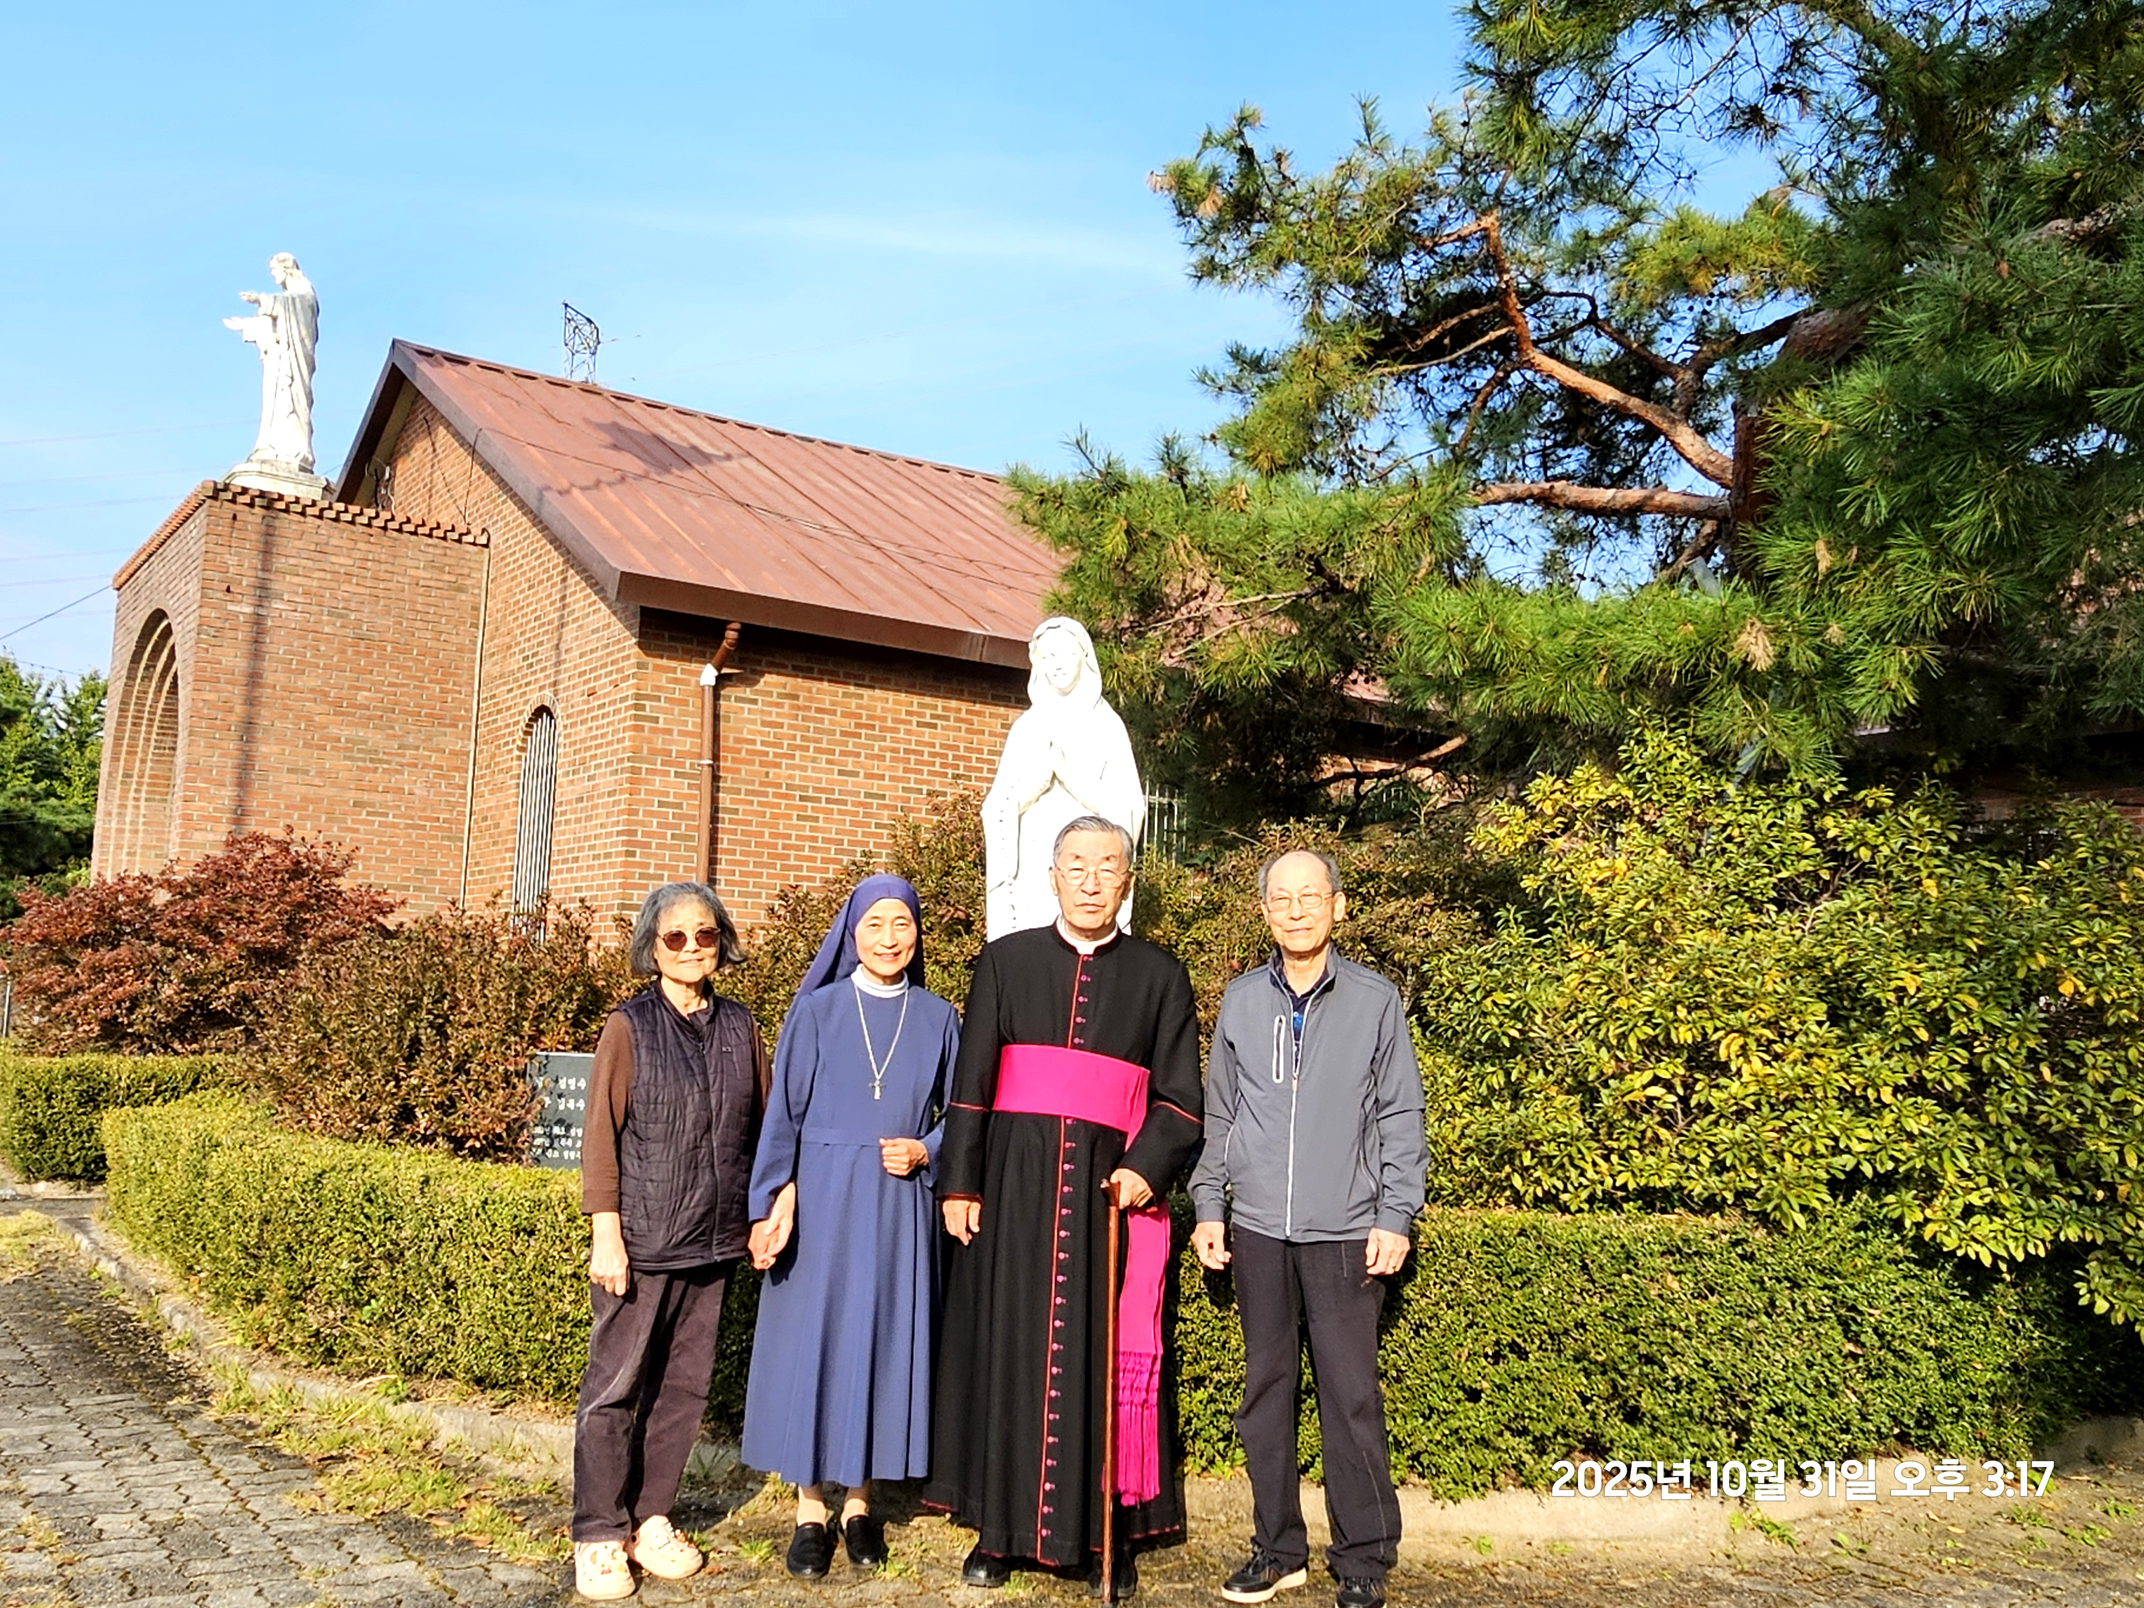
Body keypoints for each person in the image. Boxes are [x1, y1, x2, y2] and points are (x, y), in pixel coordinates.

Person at [927, 814, 1204, 1600]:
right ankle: (998, 1529)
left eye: (1106, 866)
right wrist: (960, 1183)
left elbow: (1182, 1100)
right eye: (1076, 865)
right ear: (1053, 876)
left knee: (1095, 1351)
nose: (1090, 880)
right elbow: (972, 1084)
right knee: (1008, 1347)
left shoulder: (1159, 974)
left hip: (1105, 1190)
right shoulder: (1005, 962)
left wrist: (1147, 1169)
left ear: (1127, 880)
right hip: (1013, 1189)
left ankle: (1095, 1536)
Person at [1188, 850, 1426, 1608]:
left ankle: (1362, 1555)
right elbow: (1218, 1114)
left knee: (1350, 1395)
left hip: (1346, 1231)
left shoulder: (1374, 1000)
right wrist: (1209, 1206)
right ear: (1264, 911)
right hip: (1257, 1229)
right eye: (1281, 898)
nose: (1296, 909)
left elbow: (1399, 1114)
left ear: (1338, 906)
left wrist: (1396, 1214)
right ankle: (1277, 1548)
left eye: (1310, 896)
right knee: (1266, 1392)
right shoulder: (1239, 1001)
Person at [741, 874, 960, 1578]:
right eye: (875, 926)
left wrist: (928, 1147)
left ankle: (860, 1504)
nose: (890, 939)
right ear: (852, 933)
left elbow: (965, 1116)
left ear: (917, 934)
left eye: (903, 925)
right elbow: (784, 1120)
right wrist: (770, 1199)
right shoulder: (816, 1012)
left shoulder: (940, 1018)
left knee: (880, 1342)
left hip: (898, 1208)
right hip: (824, 1201)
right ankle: (810, 1509)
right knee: (820, 1340)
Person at [572, 882, 767, 1602]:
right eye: (675, 937)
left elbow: (763, 1131)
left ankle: (651, 1519)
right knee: (615, 1390)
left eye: (705, 935)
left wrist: (766, 1213)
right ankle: (597, 1532)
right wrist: (607, 1235)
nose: (691, 948)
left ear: (723, 943)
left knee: (682, 1393)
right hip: (645, 1242)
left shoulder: (741, 1027)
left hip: (714, 1244)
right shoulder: (628, 1027)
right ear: (651, 947)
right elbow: (601, 1139)